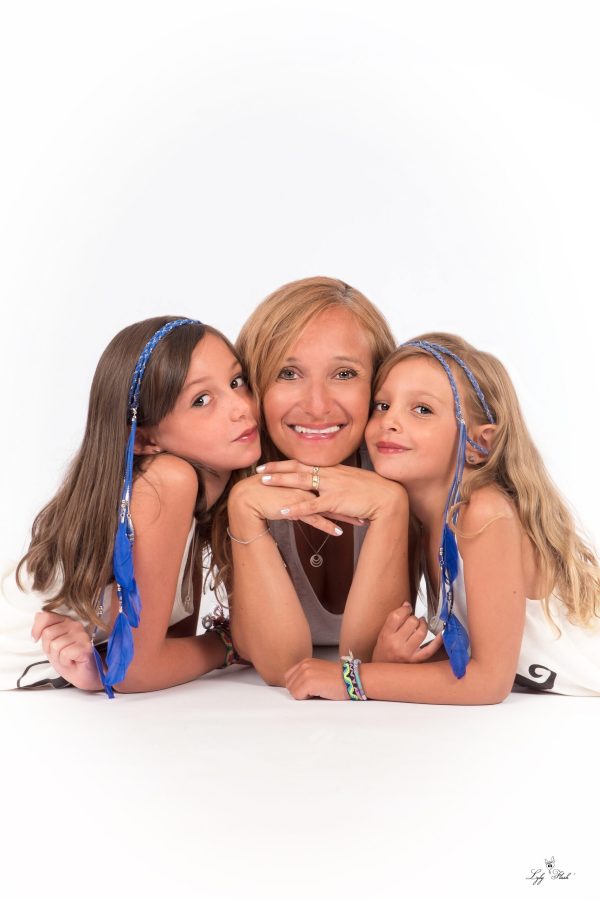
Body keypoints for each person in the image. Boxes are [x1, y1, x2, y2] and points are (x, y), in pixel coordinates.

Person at [283, 333, 600, 702]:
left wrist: (351, 680)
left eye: (422, 410)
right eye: (382, 405)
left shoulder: (483, 514)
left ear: (478, 444)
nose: (391, 422)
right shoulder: (424, 522)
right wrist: (394, 662)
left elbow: (488, 682)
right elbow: (468, 656)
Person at [0, 316, 266, 694]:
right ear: (142, 440)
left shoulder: (192, 496)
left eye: (236, 381)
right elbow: (136, 671)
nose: (240, 407)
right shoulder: (170, 481)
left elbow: (162, 647)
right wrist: (229, 645)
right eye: (201, 400)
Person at [228, 277, 412, 686]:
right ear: (254, 386)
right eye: (288, 373)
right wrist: (242, 506)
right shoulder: (232, 474)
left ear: (377, 385)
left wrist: (391, 505)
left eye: (344, 373)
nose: (316, 406)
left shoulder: (404, 467)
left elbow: (361, 662)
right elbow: (284, 669)